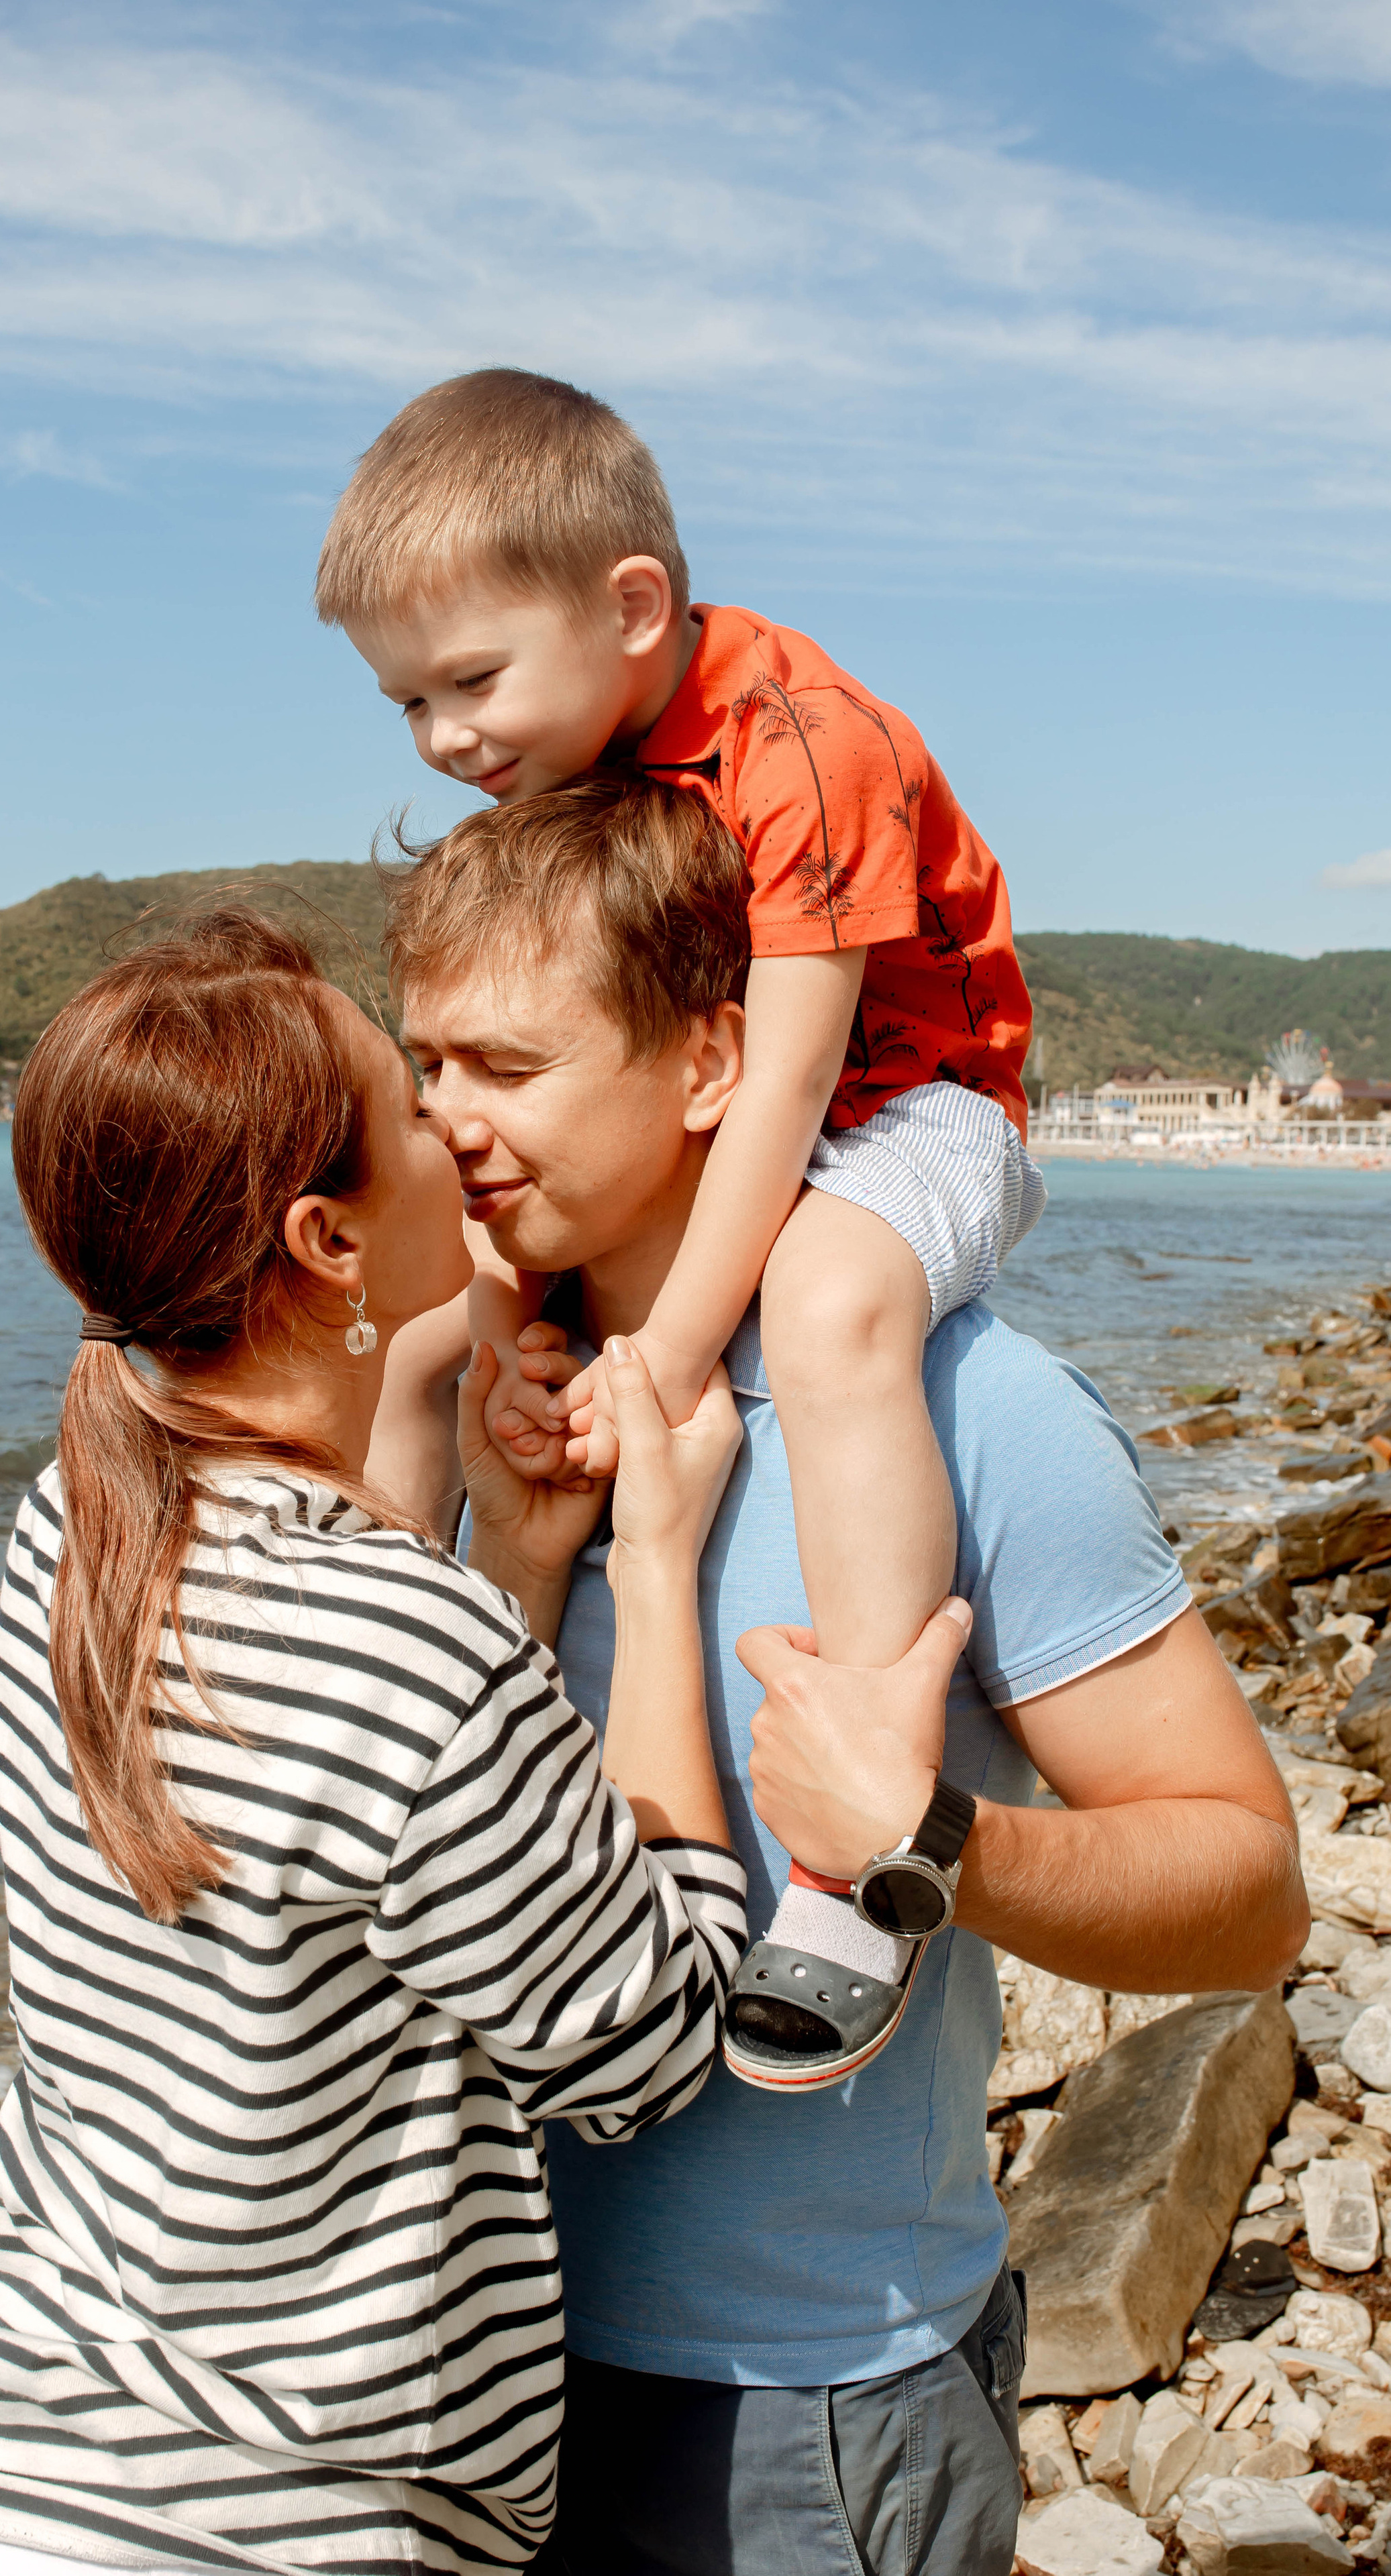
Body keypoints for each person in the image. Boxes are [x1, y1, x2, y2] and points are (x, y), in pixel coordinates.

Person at [380, 777, 1309, 2576]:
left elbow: (1252, 1897)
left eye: (507, 1066)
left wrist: (932, 1841)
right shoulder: (465, 1410)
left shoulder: (972, 1415)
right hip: (440, 2374)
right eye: (425, 1069)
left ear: (716, 1062)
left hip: (798, 2407)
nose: (448, 1124)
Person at [0, 905, 750, 2576]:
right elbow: (653, 2043)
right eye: (410, 1102)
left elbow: (355, 1841)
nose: (455, 1122)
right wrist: (662, 1570)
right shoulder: (400, 1644)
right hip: (224, 2525)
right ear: (329, 1245)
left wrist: (518, 1560)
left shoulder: (79, 1517)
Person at [317, 366, 1043, 2090]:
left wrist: (652, 1353)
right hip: (733, 1107)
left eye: (469, 681)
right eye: (404, 702)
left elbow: (781, 1088)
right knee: (461, 1303)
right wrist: (515, 1331)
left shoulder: (800, 741)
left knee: (834, 1299)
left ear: (630, 606)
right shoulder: (581, 751)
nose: (442, 741)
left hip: (918, 1100)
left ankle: (856, 1845)